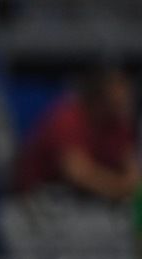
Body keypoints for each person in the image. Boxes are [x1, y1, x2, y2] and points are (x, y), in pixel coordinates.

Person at [13, 67, 139, 205]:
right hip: (38, 201)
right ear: (98, 99)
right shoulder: (67, 119)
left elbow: (131, 167)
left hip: (85, 202)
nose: (124, 106)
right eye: (117, 102)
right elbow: (79, 174)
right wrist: (122, 188)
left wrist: (130, 184)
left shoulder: (116, 122)